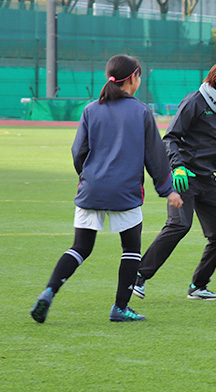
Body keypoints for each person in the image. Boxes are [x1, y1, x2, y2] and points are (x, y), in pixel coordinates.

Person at [30, 55, 183, 324]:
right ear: (134, 77)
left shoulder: (91, 109)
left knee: (80, 247)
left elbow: (79, 151)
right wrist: (167, 189)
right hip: (125, 192)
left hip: (92, 189)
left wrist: (88, 177)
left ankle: (48, 292)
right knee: (131, 249)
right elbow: (156, 156)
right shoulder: (141, 111)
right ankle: (120, 308)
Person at [133, 59, 216, 301]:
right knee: (179, 225)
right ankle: (138, 277)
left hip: (207, 180)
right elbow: (170, 138)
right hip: (184, 178)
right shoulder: (195, 101)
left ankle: (199, 286)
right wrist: (178, 167)